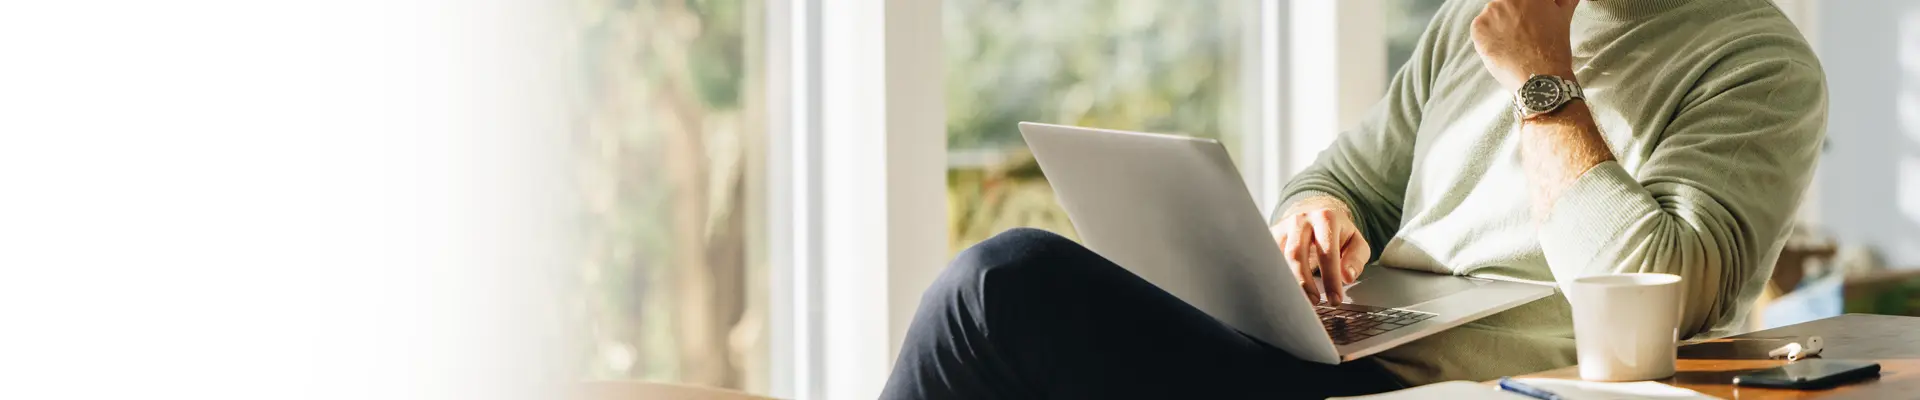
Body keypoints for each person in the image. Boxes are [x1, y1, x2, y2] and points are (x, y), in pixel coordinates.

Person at [882, 0, 1827, 398]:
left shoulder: (1757, 64)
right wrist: (1315, 217)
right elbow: (1348, 177)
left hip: (1456, 387)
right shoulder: (1473, 20)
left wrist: (1542, 78)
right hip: (1333, 353)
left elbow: (1656, 287)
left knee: (1002, 287)